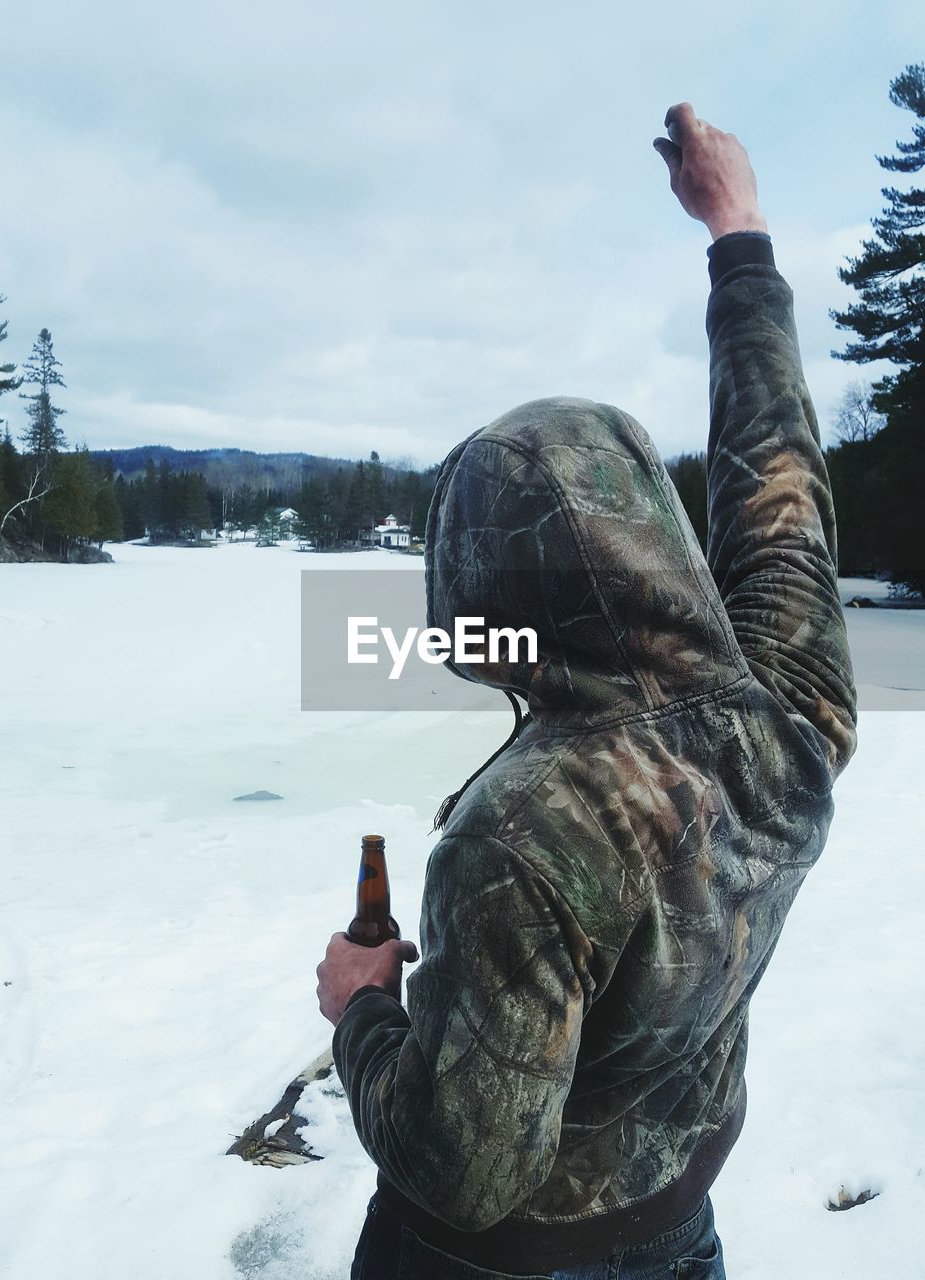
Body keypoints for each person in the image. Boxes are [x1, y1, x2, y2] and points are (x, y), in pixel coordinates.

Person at [316, 103, 858, 1280]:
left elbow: (462, 1166)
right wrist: (741, 237)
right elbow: (783, 505)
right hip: (676, 1221)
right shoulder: (788, 719)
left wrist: (361, 1007)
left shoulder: (524, 831)